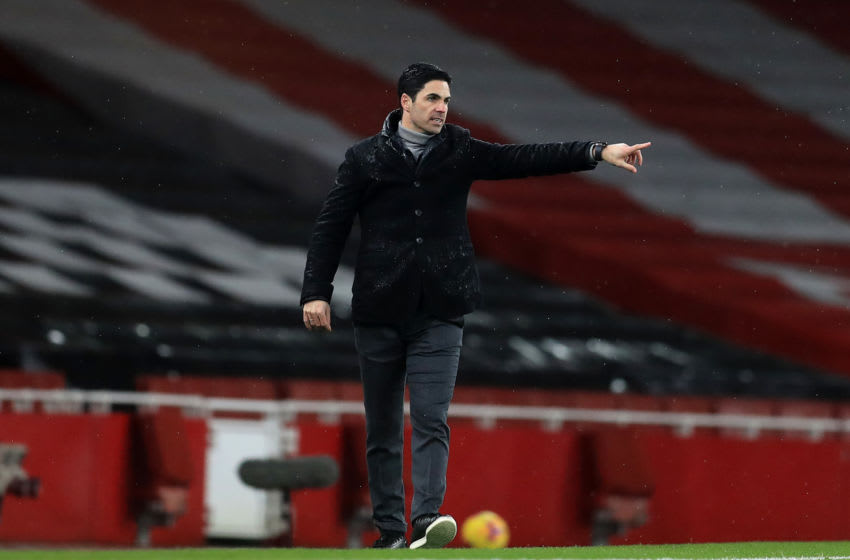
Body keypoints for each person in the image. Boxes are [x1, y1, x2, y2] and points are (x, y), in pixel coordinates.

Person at [300, 62, 650, 549]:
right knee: (382, 427)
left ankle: (426, 519)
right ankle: (390, 532)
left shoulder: (459, 150)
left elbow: (522, 158)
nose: (442, 108)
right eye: (432, 98)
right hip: (379, 310)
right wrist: (316, 291)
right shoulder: (364, 158)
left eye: (446, 100)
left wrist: (596, 151)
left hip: (441, 310)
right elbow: (331, 226)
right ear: (405, 102)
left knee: (431, 417)